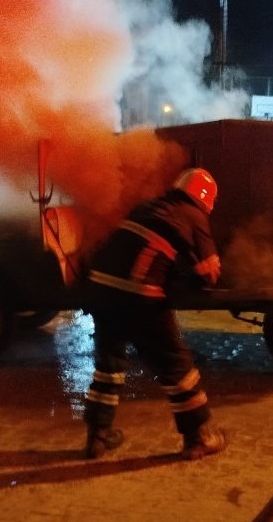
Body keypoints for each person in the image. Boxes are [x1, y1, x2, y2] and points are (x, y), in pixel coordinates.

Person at [81, 167, 228, 461]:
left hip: (100, 289)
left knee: (108, 365)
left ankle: (97, 437)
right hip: (138, 296)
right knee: (177, 367)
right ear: (206, 199)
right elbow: (209, 271)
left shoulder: (147, 207)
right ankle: (199, 438)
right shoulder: (193, 214)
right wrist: (190, 279)